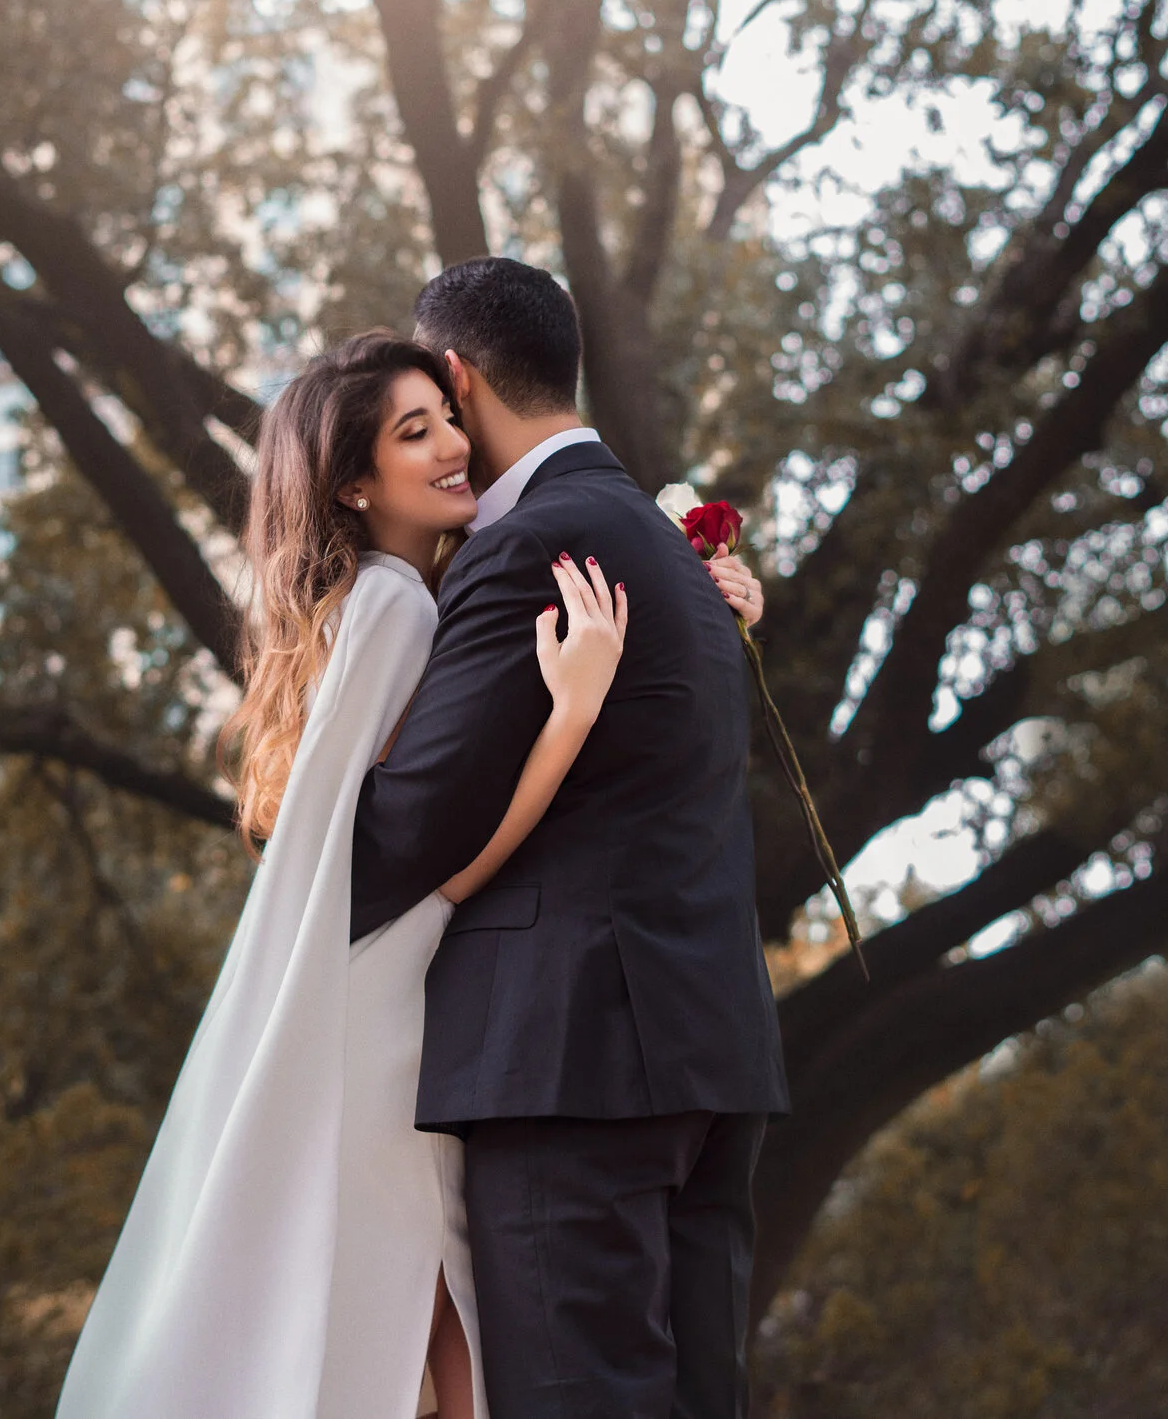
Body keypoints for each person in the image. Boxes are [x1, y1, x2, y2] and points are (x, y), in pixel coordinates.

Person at [57, 327, 767, 1419]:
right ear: (351, 482)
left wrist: (693, 596)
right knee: (434, 1335)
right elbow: (423, 860)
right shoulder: (394, 607)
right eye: (413, 432)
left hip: (404, 997)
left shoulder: (407, 595)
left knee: (425, 1339)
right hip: (385, 1004)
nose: (450, 447)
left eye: (444, 418)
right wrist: (571, 713)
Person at [352, 258, 790, 1419]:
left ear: (456, 374)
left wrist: (305, 818)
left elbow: (404, 829)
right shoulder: (671, 558)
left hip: (570, 1066)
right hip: (710, 1055)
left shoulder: (530, 544)